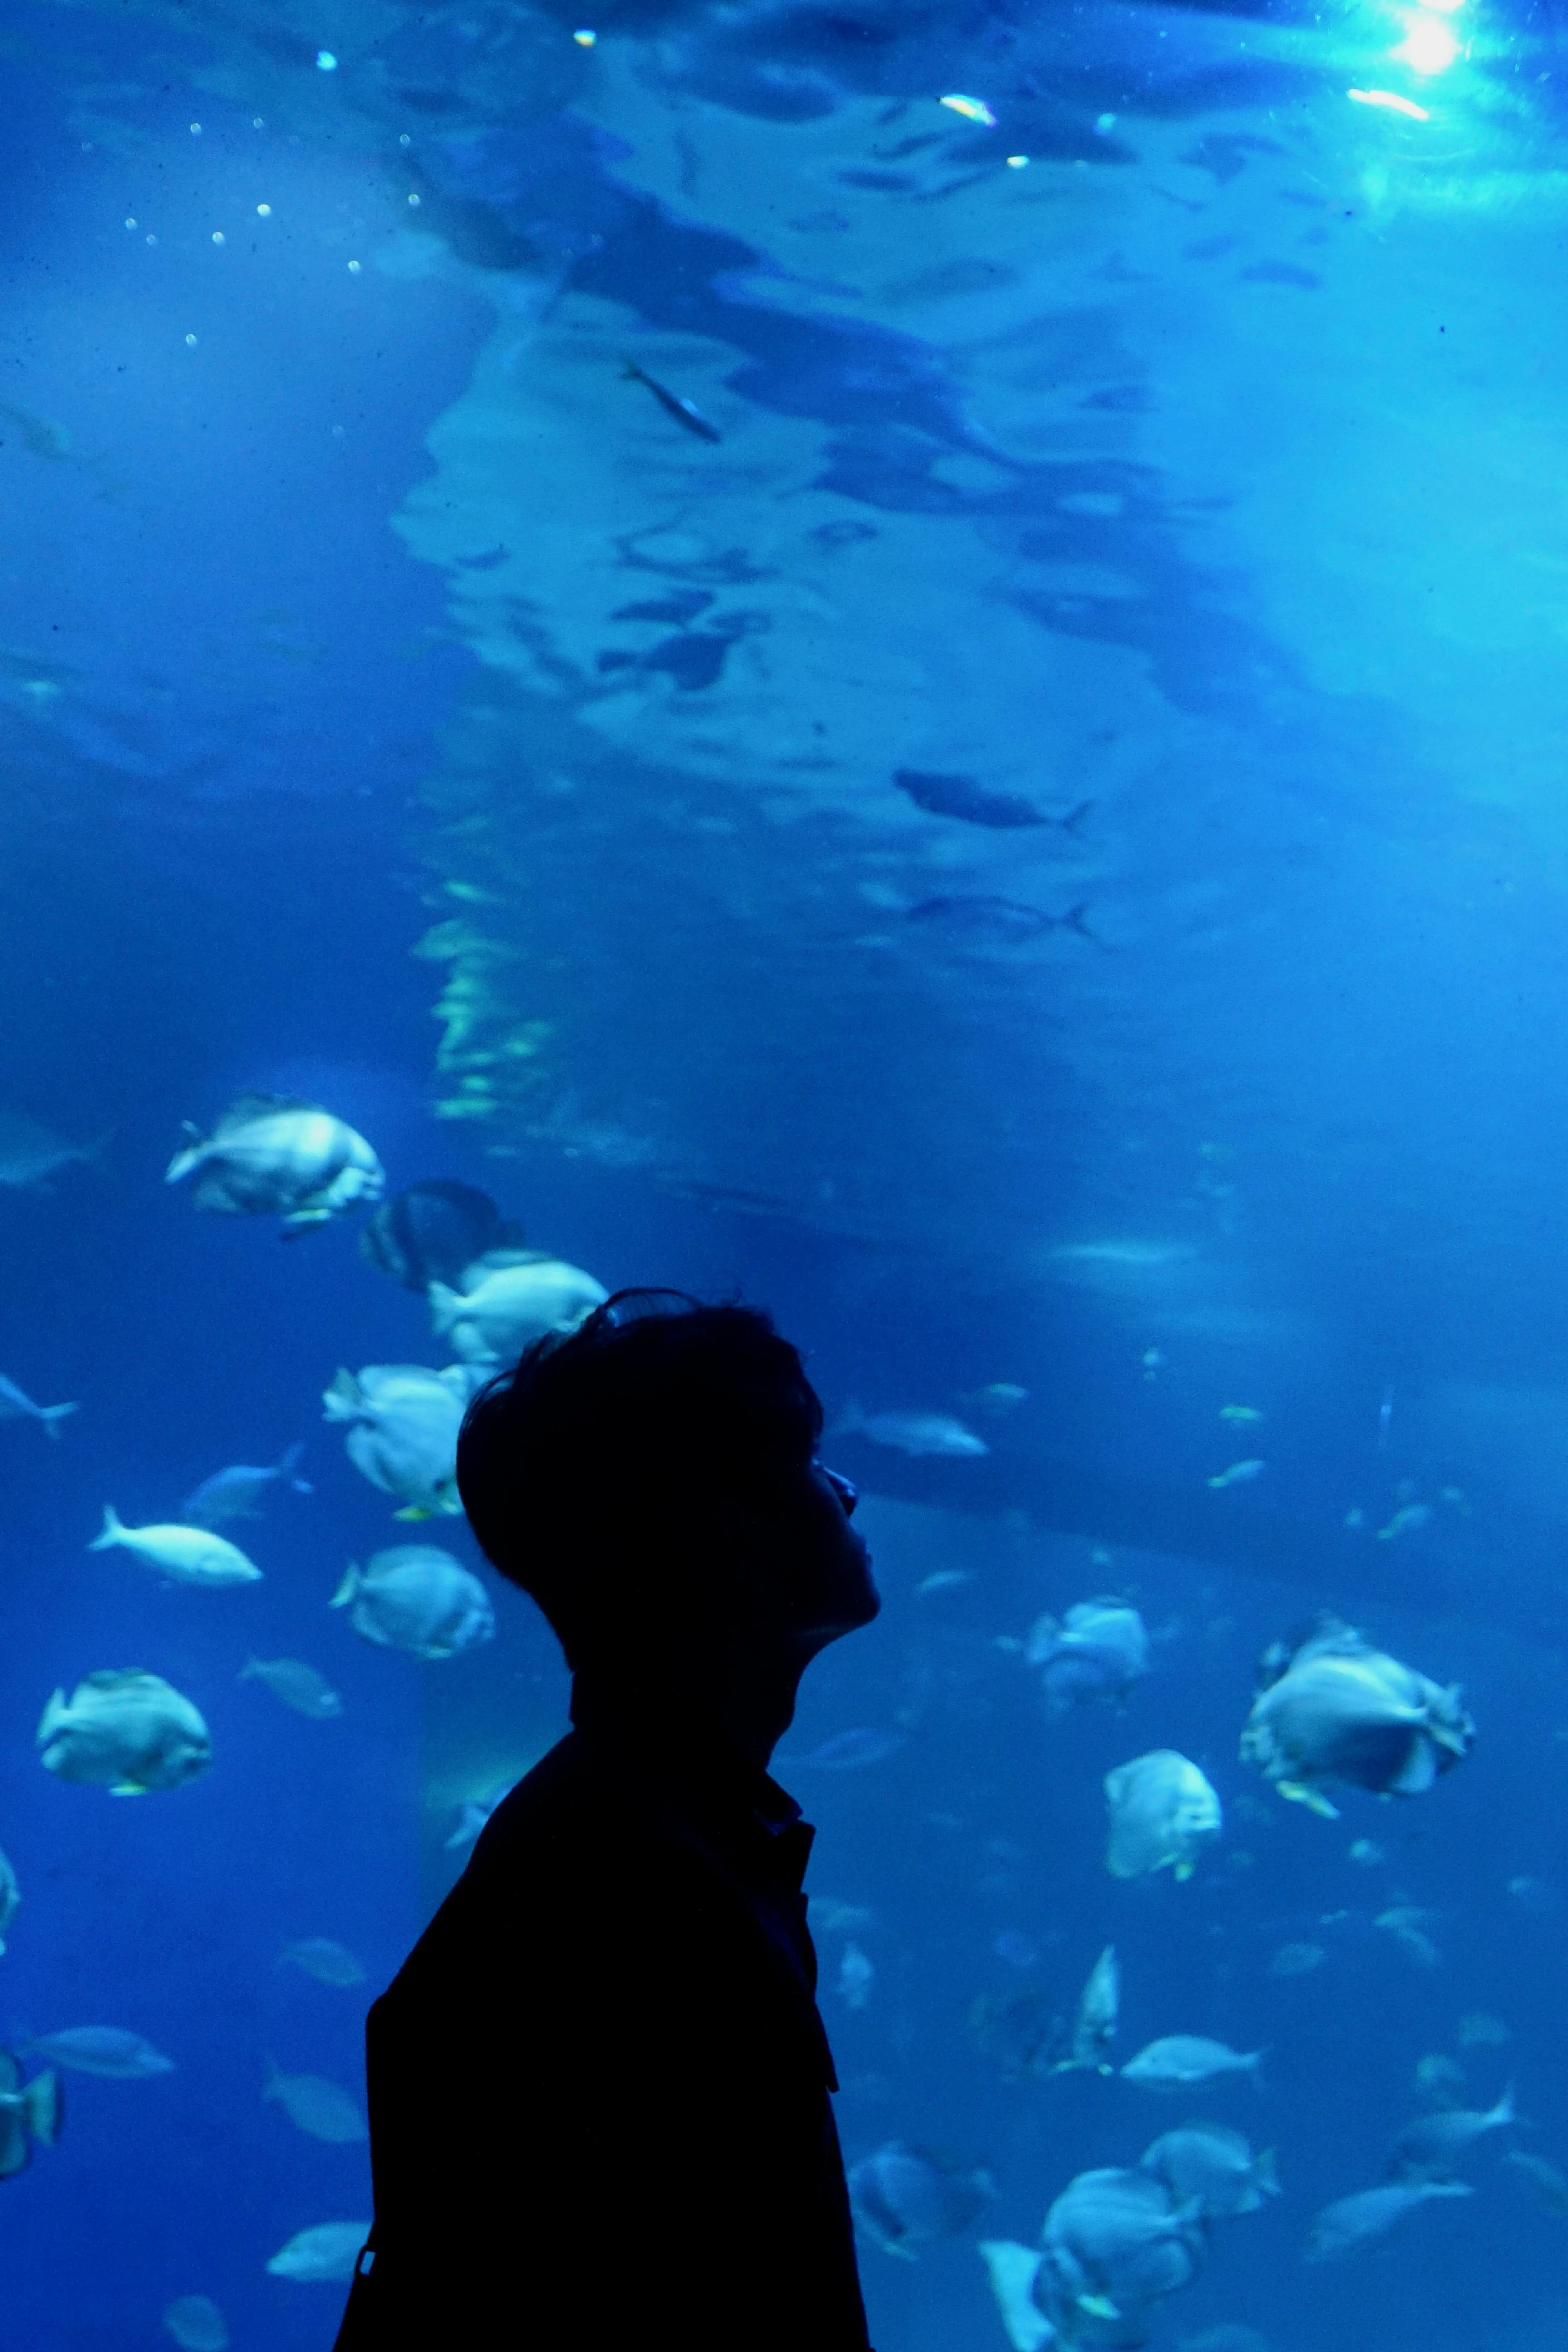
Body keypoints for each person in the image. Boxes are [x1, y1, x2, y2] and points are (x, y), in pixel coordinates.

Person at [333, 1290, 880, 2350]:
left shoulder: (655, 1832)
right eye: (806, 1465)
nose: (845, 1495)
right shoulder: (632, 1886)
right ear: (728, 1526)